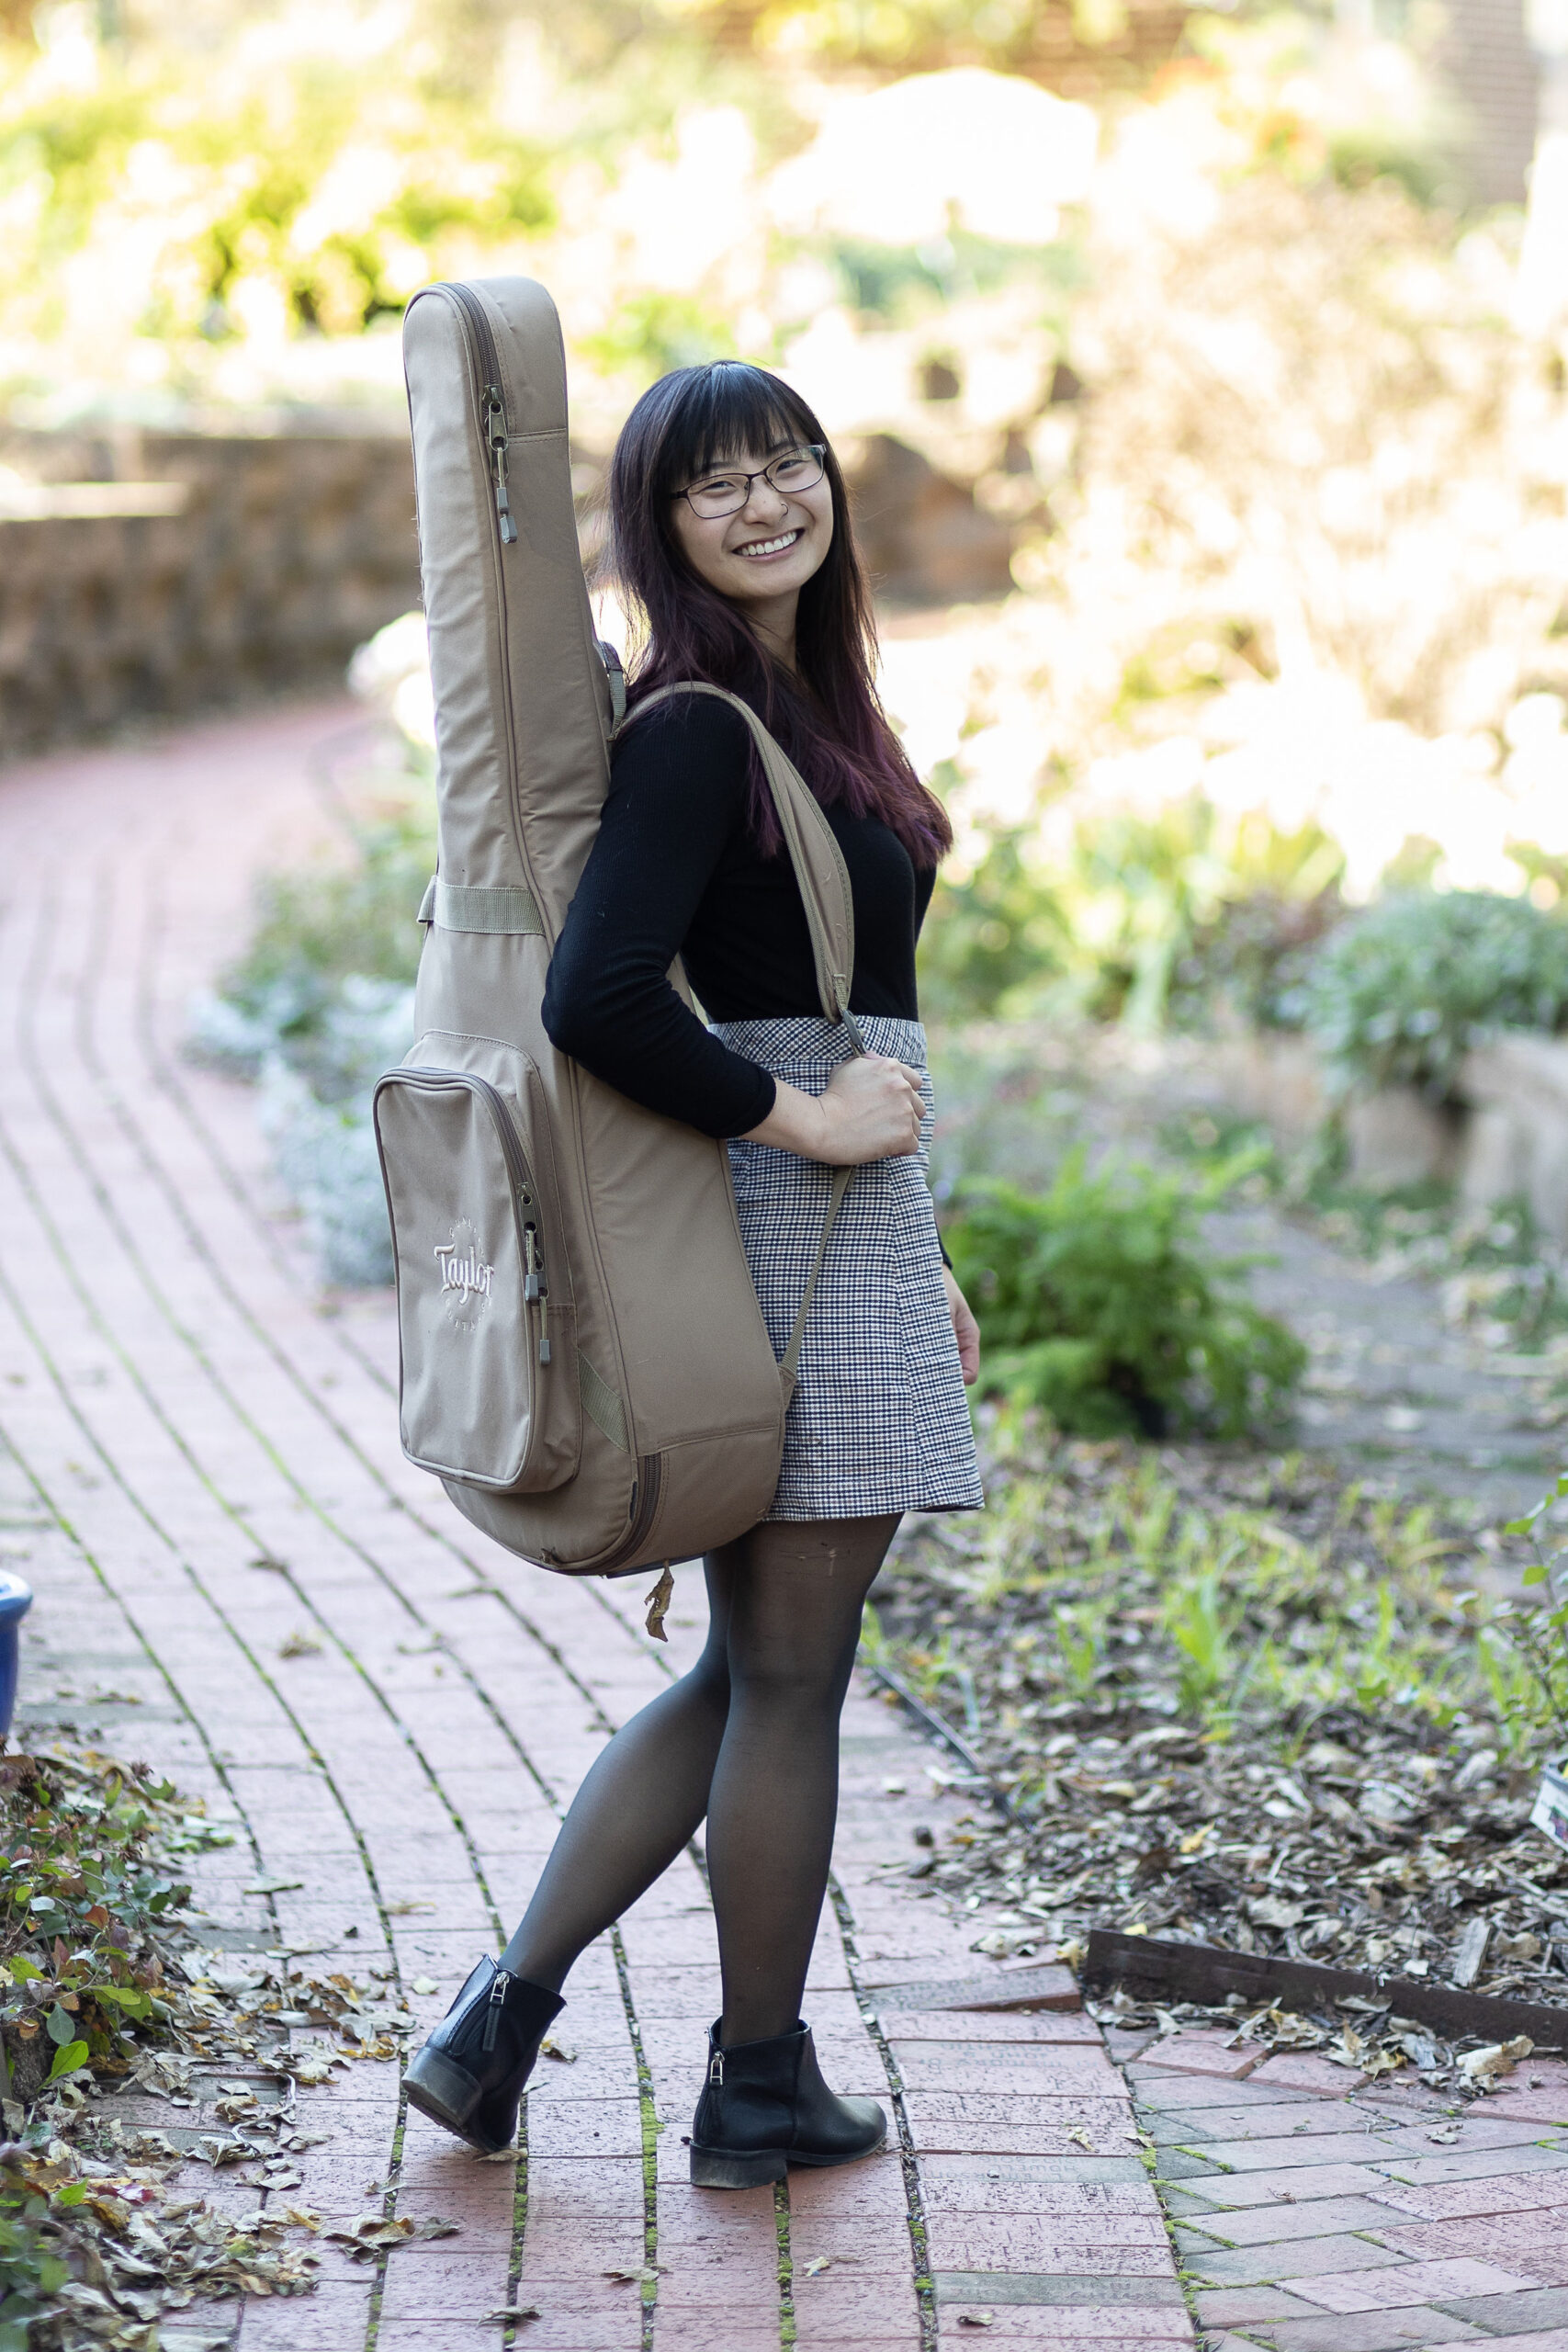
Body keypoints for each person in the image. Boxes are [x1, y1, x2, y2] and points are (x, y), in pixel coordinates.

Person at [404, 359, 984, 2191]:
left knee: (746, 1671)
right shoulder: (695, 731)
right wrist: (806, 1131)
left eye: (785, 462)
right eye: (708, 481)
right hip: (785, 1226)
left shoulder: (805, 714)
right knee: (790, 1679)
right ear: (655, 526)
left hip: (842, 1240)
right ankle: (754, 2079)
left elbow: (840, 1005)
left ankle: (494, 2024)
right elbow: (597, 996)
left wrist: (919, 1240)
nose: (760, 499)